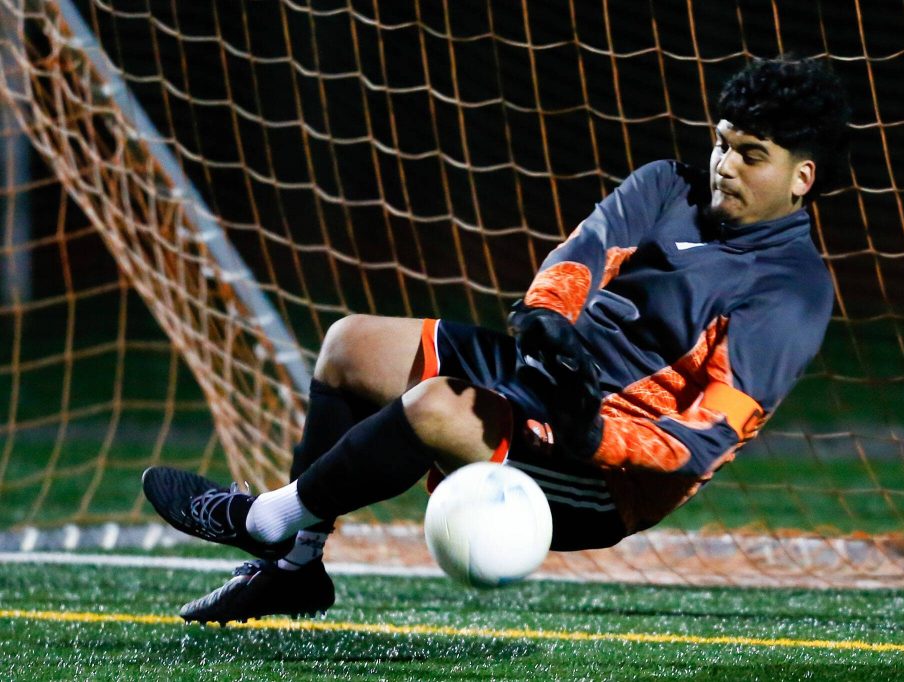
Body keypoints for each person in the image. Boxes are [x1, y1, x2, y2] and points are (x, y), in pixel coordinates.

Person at [143, 56, 851, 624]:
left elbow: (703, 441)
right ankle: (295, 570)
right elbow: (587, 248)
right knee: (350, 344)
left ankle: (267, 519)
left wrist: (594, 431)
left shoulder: (791, 292)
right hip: (543, 376)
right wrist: (546, 311)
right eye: (722, 140)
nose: (725, 163)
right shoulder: (669, 184)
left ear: (802, 178)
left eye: (750, 154)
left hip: (604, 471)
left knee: (433, 406)